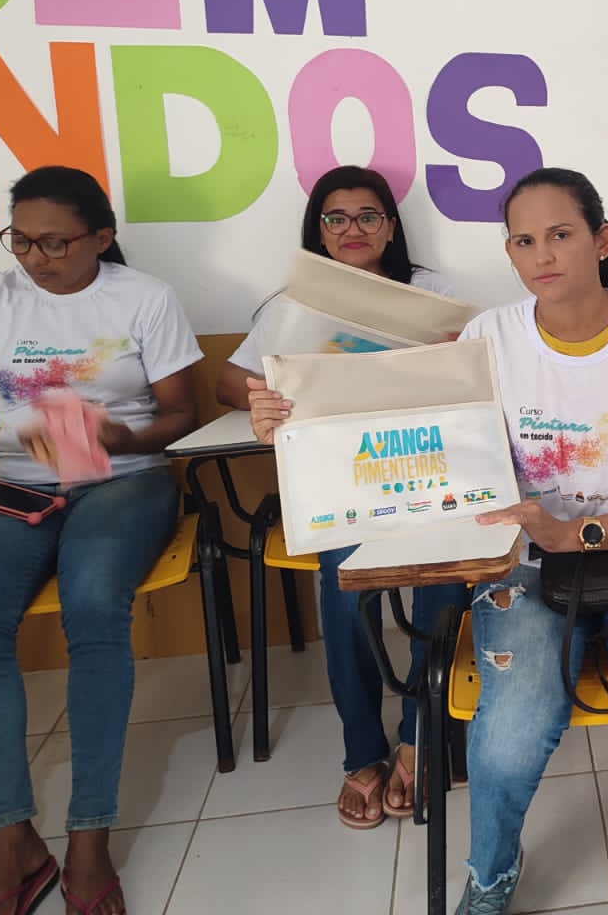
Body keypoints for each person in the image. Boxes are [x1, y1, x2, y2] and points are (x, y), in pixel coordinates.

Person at [249, 167, 608, 915]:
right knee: (509, 732)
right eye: (523, 240)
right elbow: (404, 437)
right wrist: (294, 422)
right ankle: (491, 870)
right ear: (508, 252)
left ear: (601, 240)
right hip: (524, 561)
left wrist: (576, 531)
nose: (542, 254)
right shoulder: (487, 340)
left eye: (561, 234)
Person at [0, 166, 201, 915]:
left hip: (123, 477)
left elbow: (180, 414)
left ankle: (88, 835)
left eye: (55, 243)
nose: (34, 258)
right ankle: (10, 839)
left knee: (93, 603)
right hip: (17, 483)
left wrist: (123, 436)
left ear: (100, 238)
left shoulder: (143, 298)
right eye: (20, 240)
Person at [218, 165, 464, 829]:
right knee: (342, 582)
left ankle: (418, 734)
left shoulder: (431, 292)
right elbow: (227, 381)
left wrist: (453, 357)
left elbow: (474, 375)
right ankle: (362, 748)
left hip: (424, 468)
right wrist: (266, 396)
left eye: (368, 215)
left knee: (445, 573)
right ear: (318, 230)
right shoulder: (293, 304)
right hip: (339, 479)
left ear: (391, 227)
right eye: (336, 217)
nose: (353, 229)